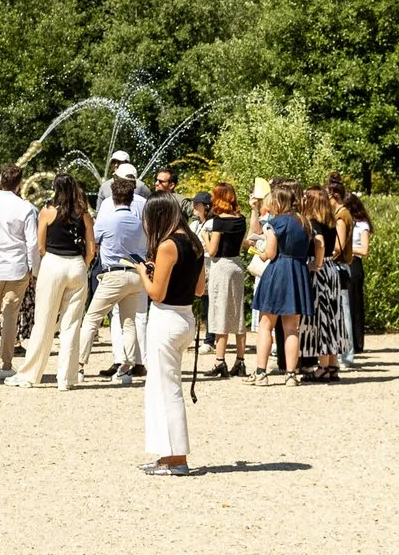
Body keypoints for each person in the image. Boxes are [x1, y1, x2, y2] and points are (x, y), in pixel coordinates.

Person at [131, 194, 204, 474]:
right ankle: (166, 454)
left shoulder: (167, 245)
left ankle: (177, 458)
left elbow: (156, 293)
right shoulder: (194, 242)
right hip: (185, 316)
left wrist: (142, 272)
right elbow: (199, 289)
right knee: (163, 387)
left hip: (166, 319)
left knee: (167, 390)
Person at [13, 173, 95, 389]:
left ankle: (30, 375)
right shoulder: (84, 213)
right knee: (71, 324)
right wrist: (83, 264)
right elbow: (91, 249)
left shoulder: (47, 211)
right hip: (76, 265)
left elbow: (40, 246)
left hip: (53, 263)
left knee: (44, 321)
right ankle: (66, 378)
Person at [76, 172, 151, 384]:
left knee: (92, 319)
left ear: (113, 197)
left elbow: (92, 242)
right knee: (129, 322)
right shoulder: (140, 223)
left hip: (113, 274)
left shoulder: (106, 220)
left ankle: (78, 365)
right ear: (131, 197)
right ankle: (126, 369)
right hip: (135, 275)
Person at [0, 164, 39, 383]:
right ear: (19, 183)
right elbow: (32, 243)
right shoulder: (26, 208)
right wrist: (34, 269)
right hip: (17, 267)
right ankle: (6, 365)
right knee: (11, 316)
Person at [251, 178, 313, 385]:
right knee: (292, 328)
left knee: (266, 324)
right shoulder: (304, 223)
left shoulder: (275, 223)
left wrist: (260, 254)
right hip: (298, 272)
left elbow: (270, 253)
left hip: (278, 272)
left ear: (278, 202)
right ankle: (291, 374)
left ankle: (261, 373)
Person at [299, 187, 348, 380]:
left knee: (321, 319)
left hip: (319, 272)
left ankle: (323, 367)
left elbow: (319, 242)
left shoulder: (313, 222)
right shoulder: (330, 221)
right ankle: (332, 365)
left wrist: (316, 264)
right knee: (333, 316)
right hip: (331, 269)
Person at [202, 181, 250, 378]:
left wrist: (205, 236)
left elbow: (213, 251)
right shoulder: (241, 219)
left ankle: (220, 360)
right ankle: (240, 360)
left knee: (220, 311)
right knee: (237, 313)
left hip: (221, 266)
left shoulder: (219, 222)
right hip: (236, 265)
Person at [333, 181, 370, 357]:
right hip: (344, 261)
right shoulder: (342, 221)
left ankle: (357, 341)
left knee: (354, 303)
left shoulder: (362, 225)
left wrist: (347, 248)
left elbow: (364, 250)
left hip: (354, 263)